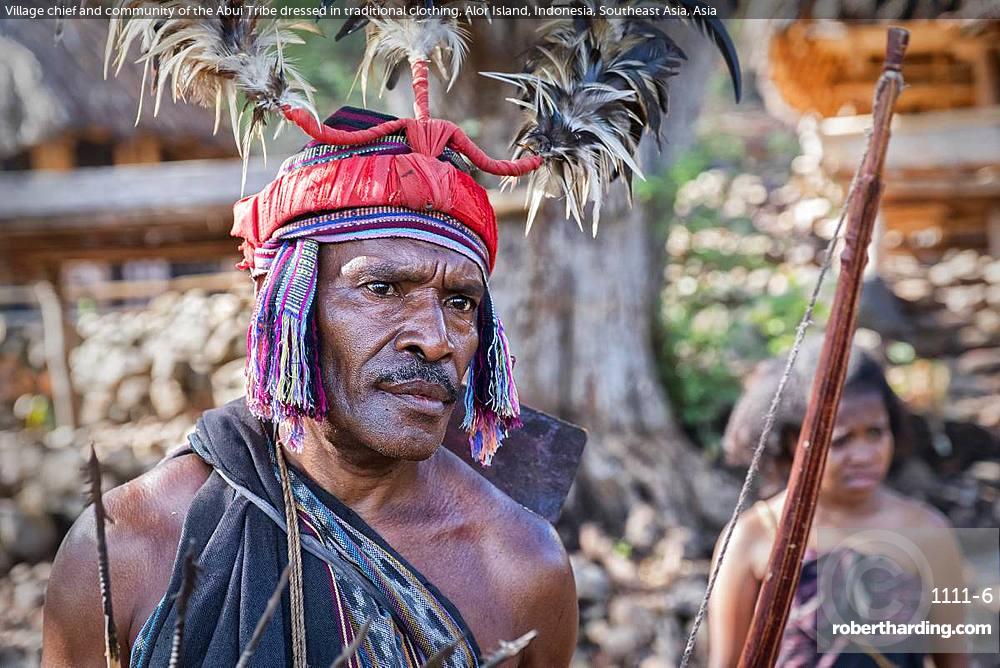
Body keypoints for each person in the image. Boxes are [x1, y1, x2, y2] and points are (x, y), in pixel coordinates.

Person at [708, 342, 969, 668]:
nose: (864, 455)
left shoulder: (927, 532)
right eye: (840, 440)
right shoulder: (753, 536)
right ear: (793, 442)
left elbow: (953, 662)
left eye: (875, 433)